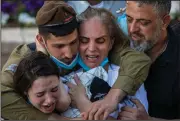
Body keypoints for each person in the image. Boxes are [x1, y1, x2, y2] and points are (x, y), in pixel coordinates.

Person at [1, 1, 151, 120]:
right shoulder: (27, 57)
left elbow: (136, 60)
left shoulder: (93, 49)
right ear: (42, 40)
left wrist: (111, 99)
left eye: (74, 42)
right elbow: (3, 96)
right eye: (59, 46)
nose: (68, 53)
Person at [62, 7, 148, 119]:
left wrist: (83, 103)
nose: (92, 48)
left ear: (111, 43)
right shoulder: (65, 81)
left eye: (100, 41)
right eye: (84, 40)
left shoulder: (130, 76)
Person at [118, 1, 180, 120]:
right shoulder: (117, 38)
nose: (132, 29)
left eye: (143, 22)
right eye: (129, 19)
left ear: (164, 22)